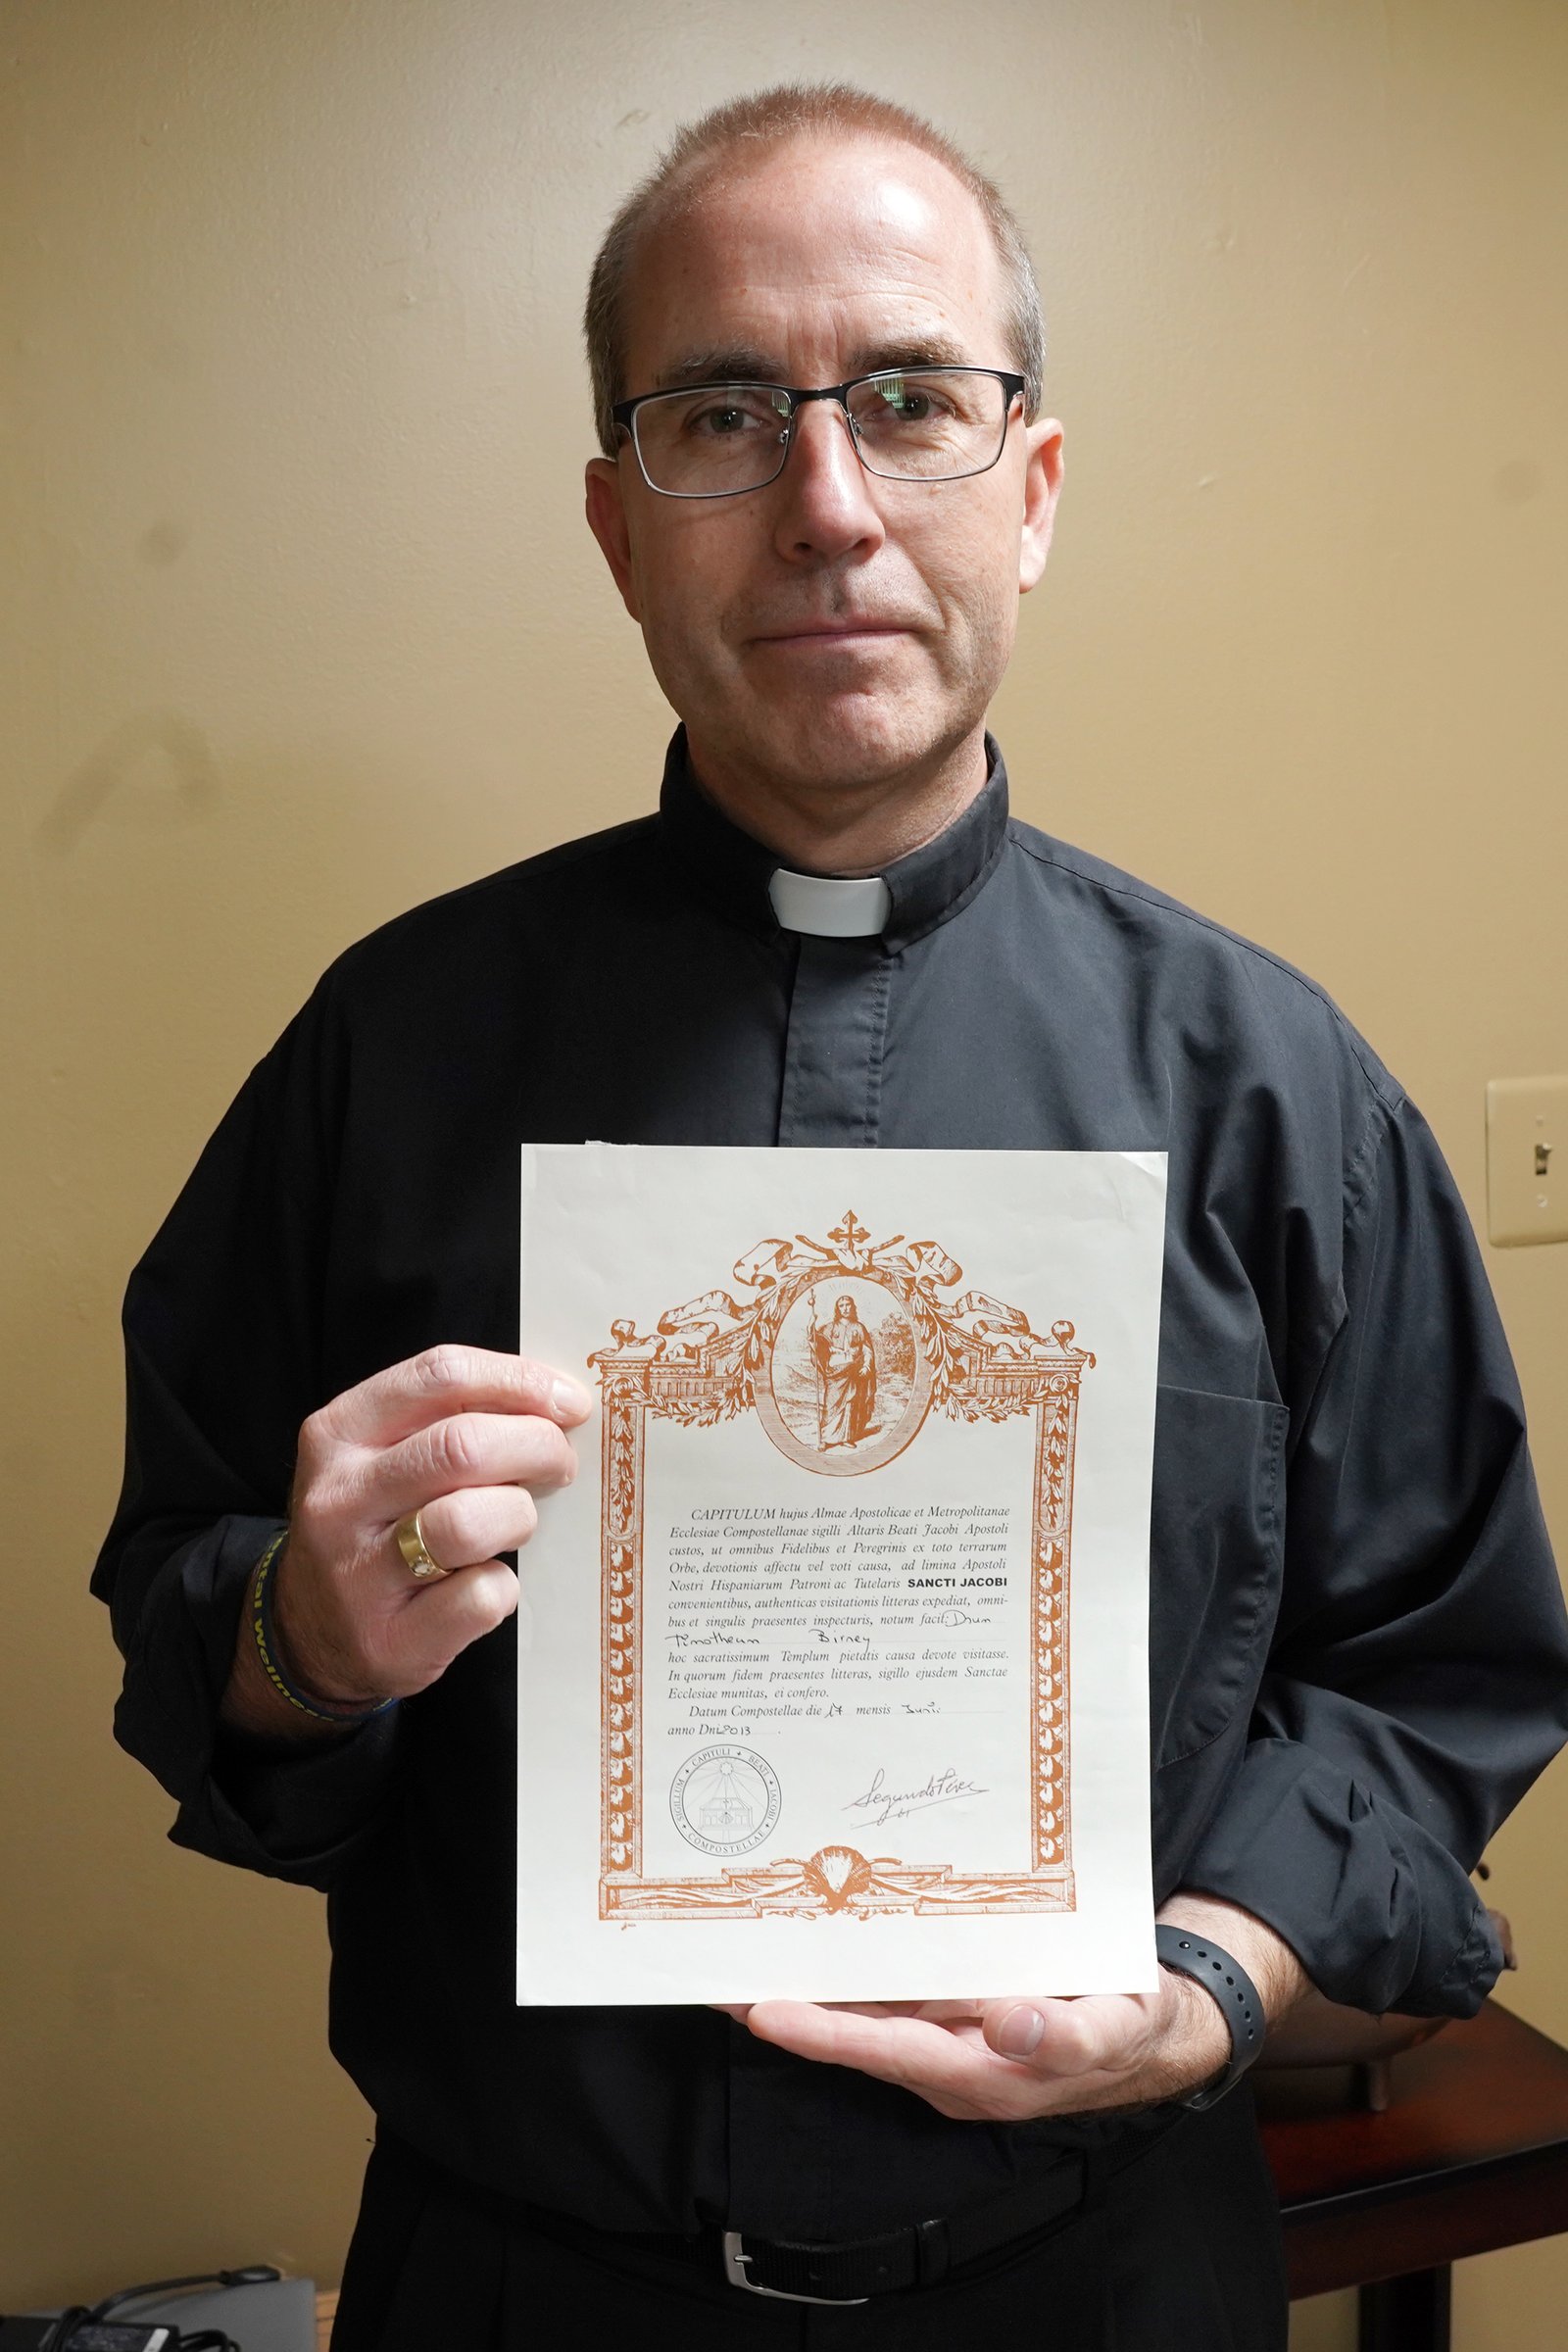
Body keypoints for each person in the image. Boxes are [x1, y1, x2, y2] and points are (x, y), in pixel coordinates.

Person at [93, 81, 1568, 2350]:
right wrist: (306, 1630)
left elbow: (1432, 1674)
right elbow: (182, 1619)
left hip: (1106, 2283)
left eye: (907, 399)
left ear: (1033, 484)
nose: (822, 502)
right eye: (717, 412)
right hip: (519, 2287)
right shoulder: (384, 1054)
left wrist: (1198, 1985)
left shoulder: (1280, 1093)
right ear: (612, 520)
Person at [814, 1294, 878, 1447]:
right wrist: (812, 1327)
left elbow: (867, 1350)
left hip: (852, 1371)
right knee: (831, 1404)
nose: (845, 1308)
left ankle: (846, 1437)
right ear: (837, 1308)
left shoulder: (859, 1327)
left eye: (848, 1304)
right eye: (841, 1305)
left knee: (850, 1402)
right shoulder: (830, 1327)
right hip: (834, 1372)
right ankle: (825, 1438)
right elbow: (818, 1343)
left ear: (853, 1306)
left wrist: (866, 1366)